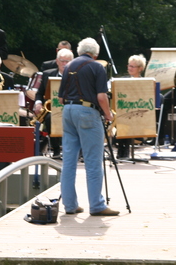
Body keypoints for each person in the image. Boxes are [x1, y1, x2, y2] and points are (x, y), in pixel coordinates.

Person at [58, 37, 119, 216]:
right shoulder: (97, 67)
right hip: (87, 112)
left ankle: (70, 205)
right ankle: (97, 205)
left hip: (67, 112)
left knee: (69, 161)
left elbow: (60, 98)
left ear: (79, 51)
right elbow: (101, 97)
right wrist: (108, 114)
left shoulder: (68, 66)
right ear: (95, 53)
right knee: (93, 161)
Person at [33, 48, 74, 158]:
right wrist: (38, 103)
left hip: (71, 107)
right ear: (57, 61)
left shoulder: (76, 75)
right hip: (53, 109)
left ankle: (72, 150)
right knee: (50, 118)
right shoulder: (47, 74)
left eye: (68, 61)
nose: (64, 64)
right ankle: (56, 150)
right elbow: (39, 93)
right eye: (62, 61)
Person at [116, 54, 147, 159]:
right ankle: (122, 150)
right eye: (129, 66)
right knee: (122, 118)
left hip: (140, 112)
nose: (130, 68)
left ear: (140, 69)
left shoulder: (145, 82)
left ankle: (124, 151)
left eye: (133, 66)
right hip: (124, 111)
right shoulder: (122, 80)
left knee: (127, 119)